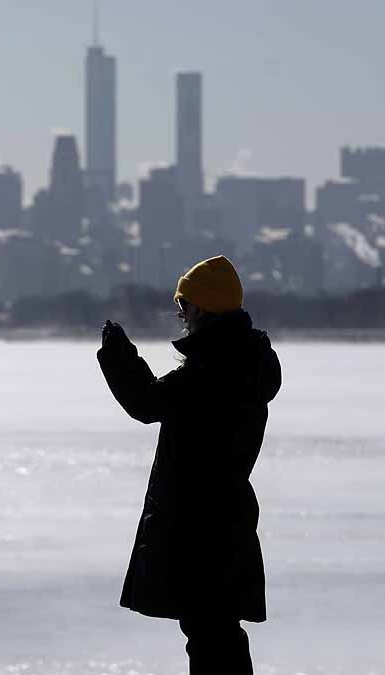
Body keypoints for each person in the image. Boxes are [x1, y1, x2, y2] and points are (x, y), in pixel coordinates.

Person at [97, 255, 281, 674]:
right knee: (215, 628)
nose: (181, 315)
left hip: (200, 527)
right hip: (225, 521)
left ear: (203, 309)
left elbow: (147, 402)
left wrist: (119, 356)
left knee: (210, 631)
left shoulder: (213, 371)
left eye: (185, 305)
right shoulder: (242, 363)